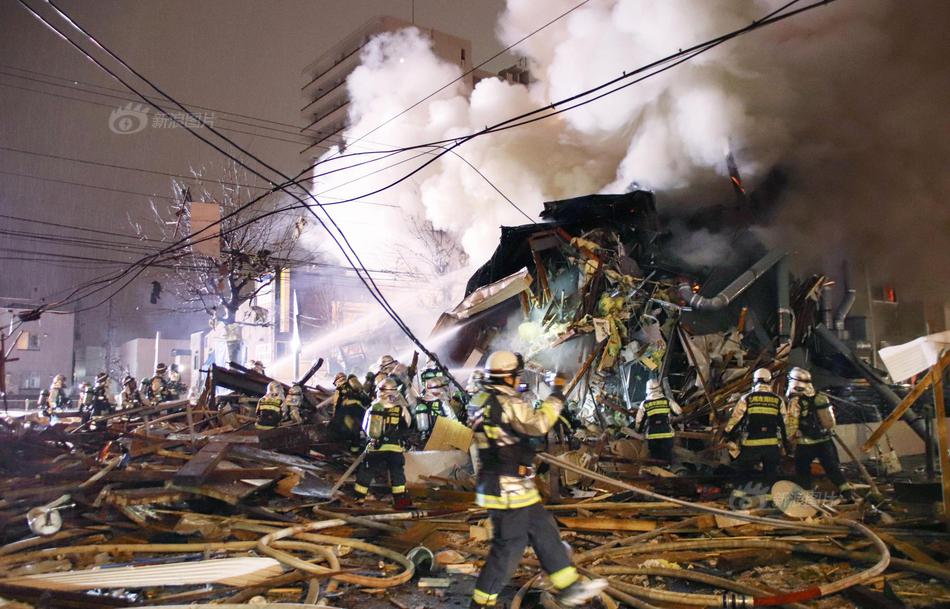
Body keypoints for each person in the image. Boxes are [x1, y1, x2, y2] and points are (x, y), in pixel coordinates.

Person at [468, 351, 606, 609]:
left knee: (544, 531)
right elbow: (540, 424)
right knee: (509, 547)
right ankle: (481, 604)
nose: (518, 380)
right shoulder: (508, 403)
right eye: (515, 376)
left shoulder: (481, 399)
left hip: (513, 485)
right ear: (506, 377)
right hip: (507, 488)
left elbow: (505, 433)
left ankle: (569, 588)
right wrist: (556, 392)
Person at [786, 367, 853, 500]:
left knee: (803, 471)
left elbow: (791, 424)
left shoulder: (795, 401)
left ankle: (808, 499)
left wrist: (789, 441)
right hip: (825, 441)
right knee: (833, 469)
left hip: (805, 444)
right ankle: (848, 495)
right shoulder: (821, 398)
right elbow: (830, 423)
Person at [353, 375, 413, 508]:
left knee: (366, 472)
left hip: (375, 447)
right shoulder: (401, 408)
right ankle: (400, 502)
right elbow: (408, 424)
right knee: (397, 474)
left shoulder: (374, 408)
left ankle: (358, 499)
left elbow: (365, 427)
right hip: (395, 449)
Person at [724, 368, 789, 487]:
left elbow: (736, 419)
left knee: (743, 475)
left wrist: (728, 434)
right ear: (769, 382)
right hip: (771, 446)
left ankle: (740, 500)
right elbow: (785, 424)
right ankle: (769, 500)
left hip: (750, 445)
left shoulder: (747, 398)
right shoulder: (778, 400)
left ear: (754, 381)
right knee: (770, 476)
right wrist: (786, 445)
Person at [634, 378, 682, 465]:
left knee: (655, 459)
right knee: (667, 458)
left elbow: (639, 420)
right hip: (667, 434)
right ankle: (668, 472)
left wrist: (638, 431)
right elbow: (679, 411)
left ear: (647, 390)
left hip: (653, 436)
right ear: (659, 388)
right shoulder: (667, 400)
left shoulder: (644, 404)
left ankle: (658, 473)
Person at [413, 370, 458, 446]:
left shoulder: (420, 402)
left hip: (427, 440)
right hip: (441, 439)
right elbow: (453, 420)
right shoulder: (443, 402)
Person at [332, 372, 369, 454]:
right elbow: (365, 399)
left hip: (347, 409)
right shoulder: (355, 387)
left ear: (337, 381)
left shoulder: (339, 389)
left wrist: (334, 417)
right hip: (360, 409)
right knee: (365, 427)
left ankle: (354, 451)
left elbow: (336, 404)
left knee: (352, 430)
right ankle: (369, 444)